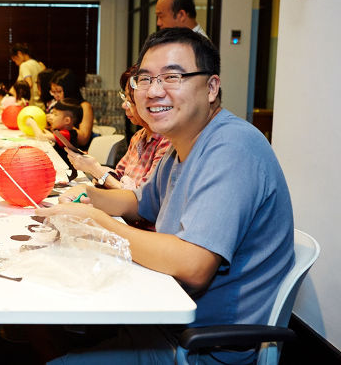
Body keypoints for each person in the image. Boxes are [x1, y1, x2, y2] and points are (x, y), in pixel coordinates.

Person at [37, 28, 294, 364]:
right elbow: (139, 201)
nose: (154, 91)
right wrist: (88, 194)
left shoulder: (232, 148)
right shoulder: (181, 148)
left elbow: (193, 264)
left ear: (212, 87)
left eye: (172, 77)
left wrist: (97, 221)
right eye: (145, 79)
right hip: (159, 319)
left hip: (196, 347)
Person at [65, 68, 171, 192]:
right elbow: (119, 174)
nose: (124, 105)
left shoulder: (167, 141)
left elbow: (143, 199)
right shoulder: (139, 136)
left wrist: (95, 170)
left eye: (130, 101)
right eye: (125, 98)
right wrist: (92, 167)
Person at [49, 69, 94, 150]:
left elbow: (84, 139)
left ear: (69, 90)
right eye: (53, 92)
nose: (55, 96)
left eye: (59, 91)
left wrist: (63, 122)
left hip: (77, 151)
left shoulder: (84, 106)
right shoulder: (57, 104)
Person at [10, 43, 45, 107]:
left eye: (15, 60)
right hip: (41, 104)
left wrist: (16, 92)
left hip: (32, 105)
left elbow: (29, 83)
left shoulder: (24, 65)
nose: (16, 63)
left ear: (19, 54)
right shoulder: (38, 64)